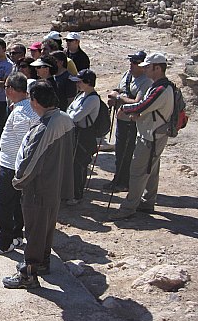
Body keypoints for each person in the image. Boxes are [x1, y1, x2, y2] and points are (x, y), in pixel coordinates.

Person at [3, 81, 75, 289]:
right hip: (55, 184)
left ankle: (29, 273)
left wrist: (18, 181)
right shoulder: (64, 119)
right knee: (46, 227)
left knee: (34, 231)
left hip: (38, 188)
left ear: (35, 101)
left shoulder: (44, 128)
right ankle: (43, 262)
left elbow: (30, 162)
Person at [111, 53, 175, 220]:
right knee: (151, 170)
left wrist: (124, 106)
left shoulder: (161, 89)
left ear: (158, 68)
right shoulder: (159, 86)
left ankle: (128, 208)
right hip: (153, 134)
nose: (144, 69)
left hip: (150, 136)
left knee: (138, 171)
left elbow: (142, 106)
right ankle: (147, 202)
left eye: (148, 67)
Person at [0, 73, 39, 257]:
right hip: (14, 164)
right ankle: (16, 234)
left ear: (10, 89)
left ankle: (4, 242)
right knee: (16, 202)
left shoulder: (22, 113)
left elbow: (26, 143)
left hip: (13, 166)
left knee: (3, 203)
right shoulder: (26, 108)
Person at [104, 51, 152, 192]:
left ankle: (124, 181)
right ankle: (118, 179)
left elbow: (138, 102)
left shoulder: (146, 81)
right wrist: (114, 93)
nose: (132, 64)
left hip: (132, 121)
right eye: (131, 61)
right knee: (119, 151)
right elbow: (121, 89)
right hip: (121, 118)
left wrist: (118, 98)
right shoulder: (128, 75)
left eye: (135, 62)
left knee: (127, 152)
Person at [66, 69, 100, 204]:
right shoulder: (81, 95)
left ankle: (77, 195)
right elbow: (70, 110)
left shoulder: (93, 99)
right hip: (76, 133)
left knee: (79, 165)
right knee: (72, 164)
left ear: (88, 82)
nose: (77, 84)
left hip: (85, 136)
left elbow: (75, 116)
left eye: (80, 82)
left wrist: (72, 113)